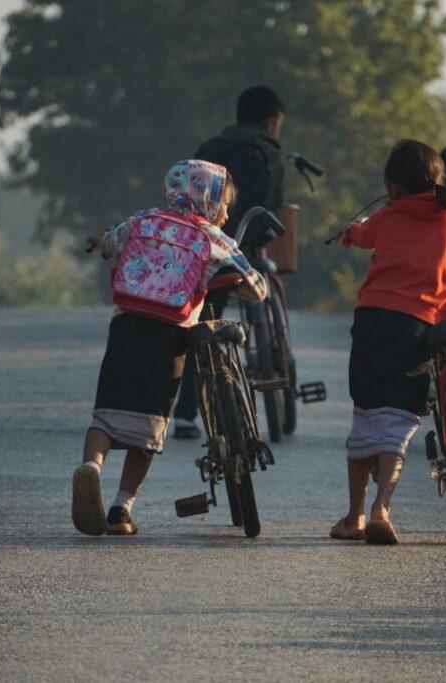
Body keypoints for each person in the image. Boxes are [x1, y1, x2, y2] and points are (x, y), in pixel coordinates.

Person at [72, 160, 266, 537]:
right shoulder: (215, 238)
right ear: (210, 201)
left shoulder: (143, 221)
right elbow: (256, 287)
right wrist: (247, 286)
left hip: (126, 327)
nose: (227, 213)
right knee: (148, 429)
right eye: (225, 205)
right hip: (170, 336)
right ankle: (120, 509)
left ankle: (90, 467)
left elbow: (111, 244)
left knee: (106, 416)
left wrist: (100, 240)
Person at [329, 139, 446, 545]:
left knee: (365, 415)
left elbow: (362, 234)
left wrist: (348, 233)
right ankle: (381, 509)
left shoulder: (388, 215)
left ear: (393, 186)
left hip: (372, 321)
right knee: (396, 424)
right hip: (419, 328)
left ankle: (353, 517)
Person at [172, 85, 288, 439]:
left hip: (205, 252)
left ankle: (185, 415)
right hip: (244, 250)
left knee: (202, 321)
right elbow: (273, 207)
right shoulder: (272, 155)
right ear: (271, 122)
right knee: (256, 285)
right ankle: (268, 361)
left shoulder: (210, 150)